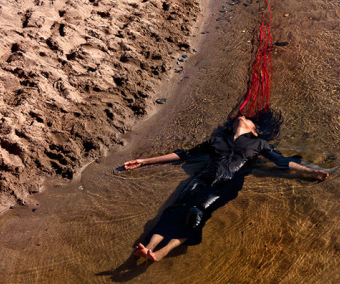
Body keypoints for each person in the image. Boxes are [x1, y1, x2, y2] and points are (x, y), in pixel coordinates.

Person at [122, 112, 329, 262]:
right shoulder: (217, 139)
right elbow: (184, 154)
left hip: (227, 183)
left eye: (249, 119)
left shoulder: (259, 144)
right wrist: (145, 161)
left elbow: (282, 161)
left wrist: (311, 171)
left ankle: (162, 252)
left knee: (196, 212)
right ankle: (147, 247)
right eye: (242, 117)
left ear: (255, 132)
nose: (244, 117)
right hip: (202, 178)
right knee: (175, 209)